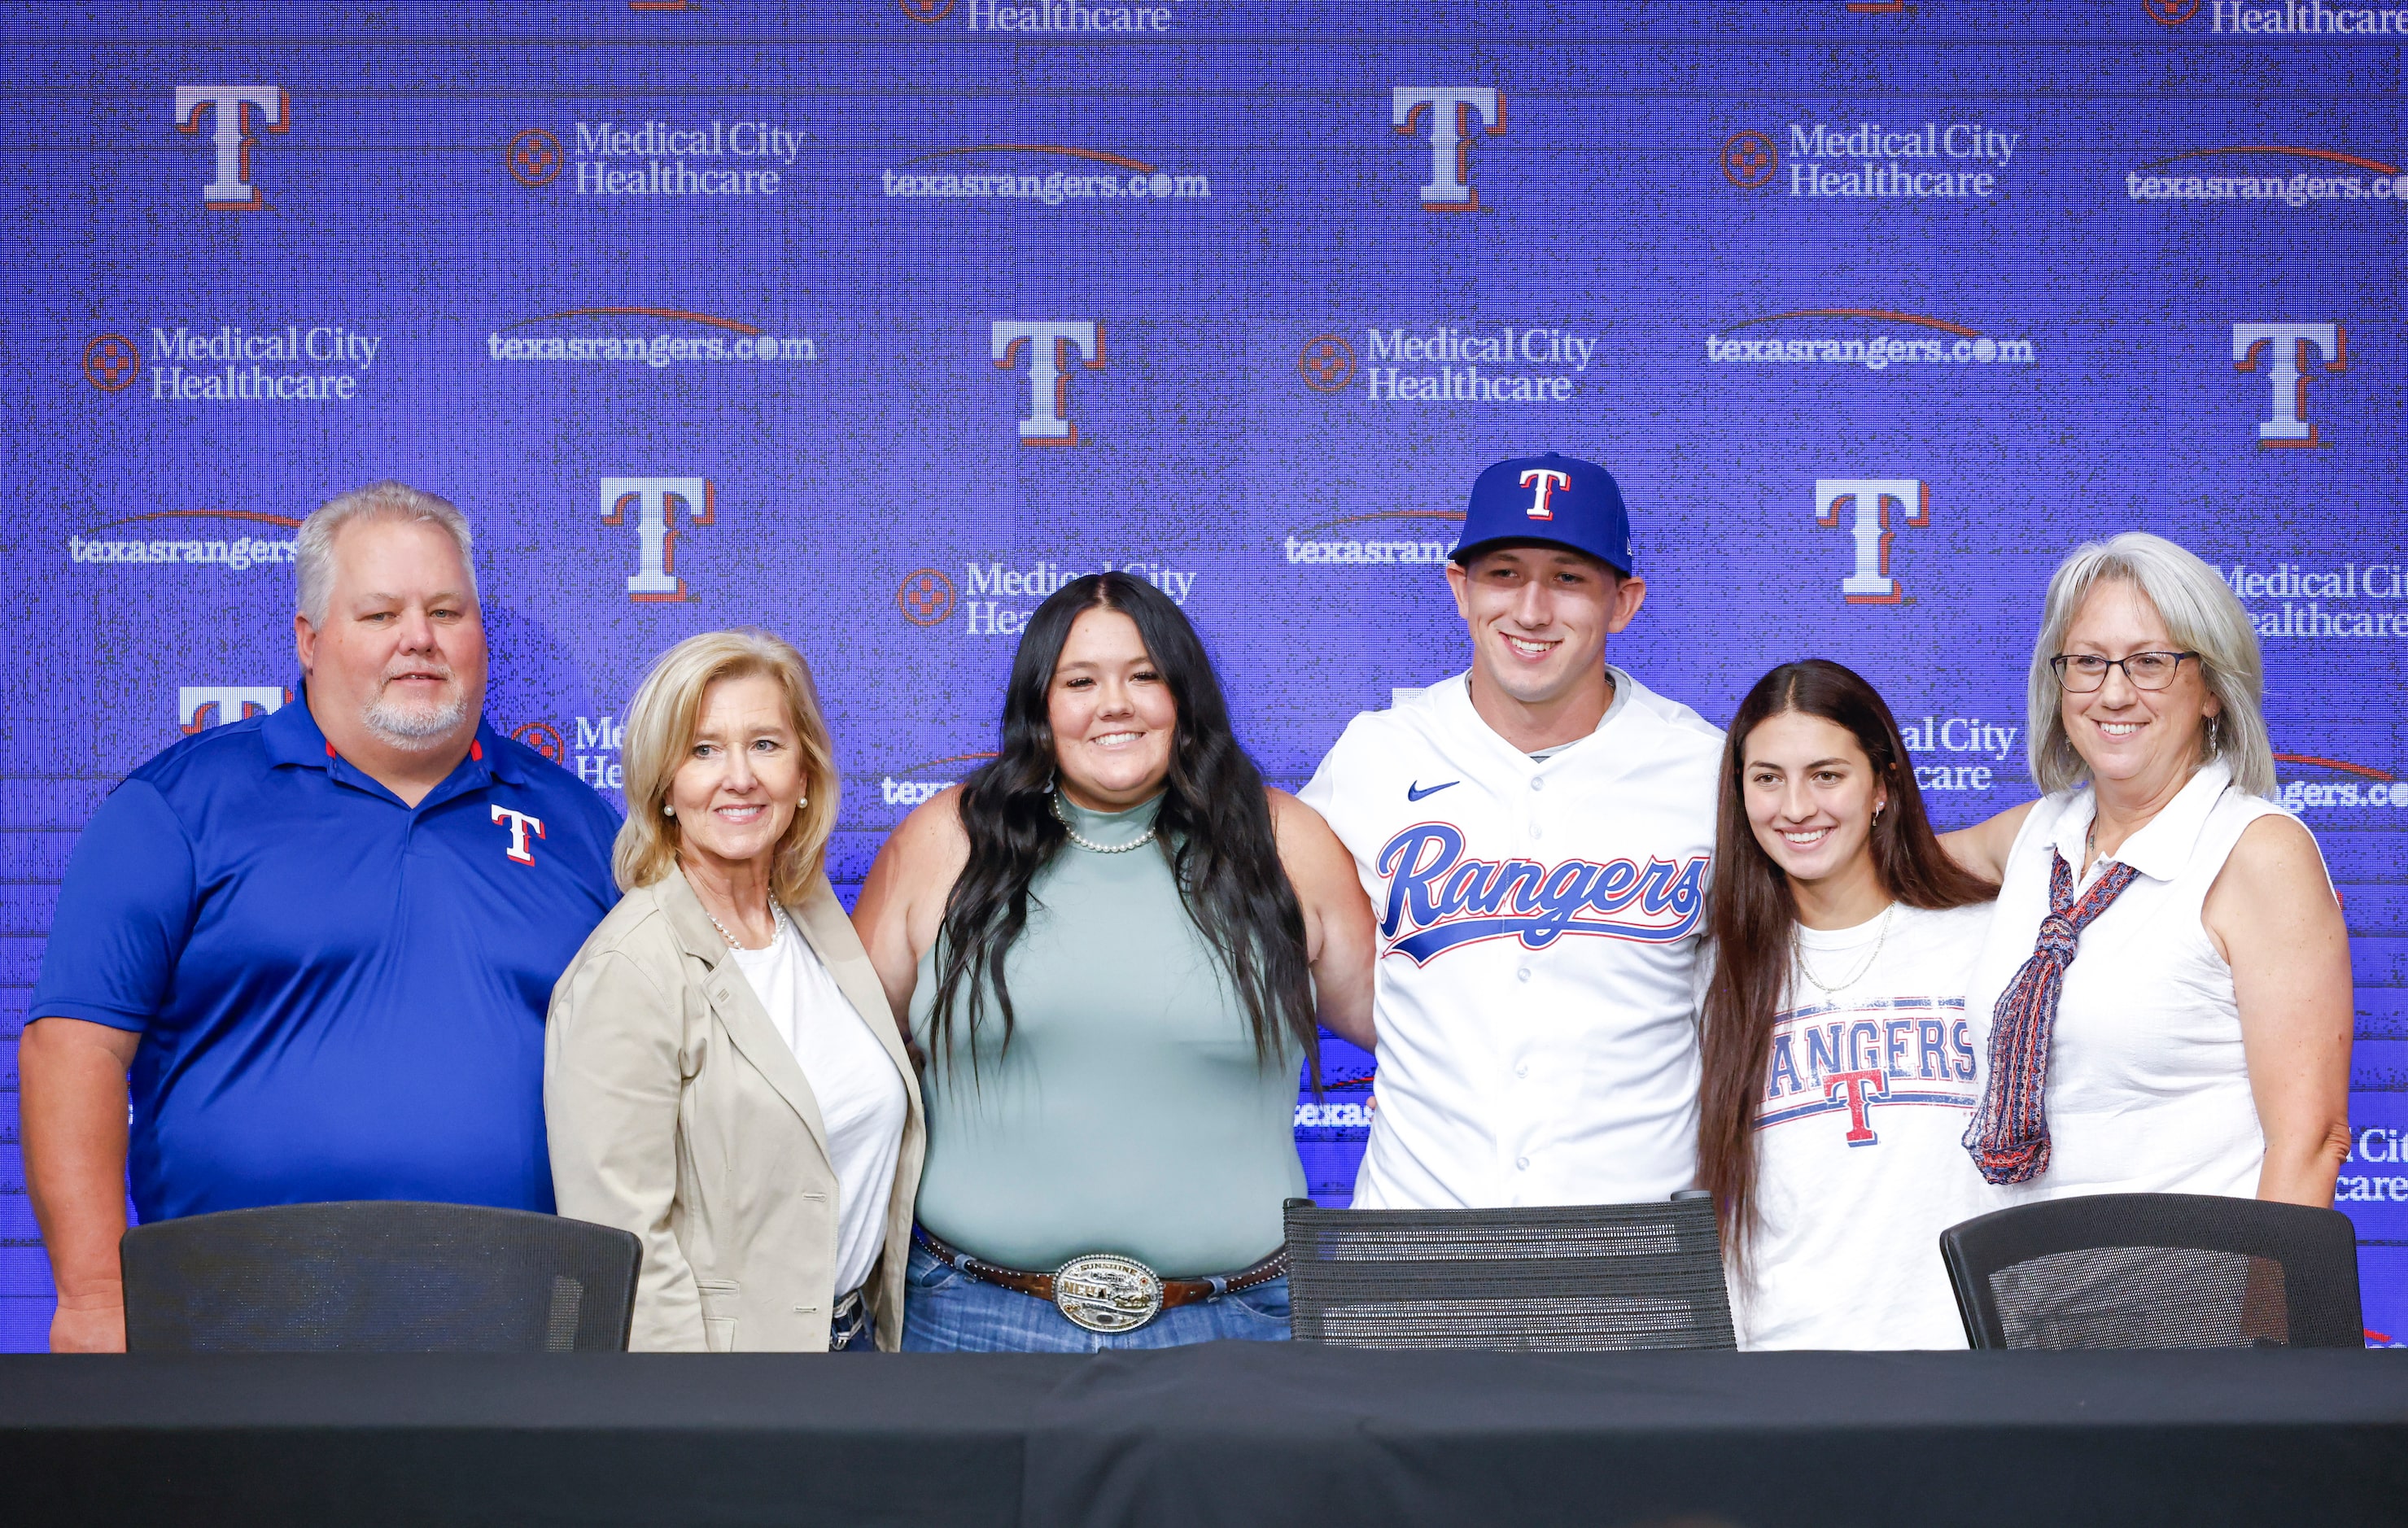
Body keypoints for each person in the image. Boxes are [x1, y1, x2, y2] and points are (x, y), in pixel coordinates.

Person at [22, 481, 619, 1353]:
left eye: (446, 610)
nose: (418, 638)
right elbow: (72, 1049)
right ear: (309, 640)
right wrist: (94, 1296)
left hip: (519, 1336)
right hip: (231, 1334)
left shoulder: (578, 825)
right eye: (379, 614)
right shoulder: (179, 807)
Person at [852, 572, 1374, 1351]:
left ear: (1183, 698)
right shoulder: (943, 842)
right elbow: (848, 1066)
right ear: (1040, 705)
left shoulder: (1285, 842)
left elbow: (1408, 1030)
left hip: (1234, 1326)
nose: (1115, 704)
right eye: (1079, 681)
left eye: (1144, 676)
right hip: (972, 1319)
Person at [1298, 452, 1721, 1209]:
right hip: (1417, 1243)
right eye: (1502, 573)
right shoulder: (1375, 752)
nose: (1530, 611)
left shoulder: (1705, 768)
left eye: (1567, 578)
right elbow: (1311, 945)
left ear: (1623, 602)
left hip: (1635, 1253)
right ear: (1459, 589)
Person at [1944, 532, 2352, 1211]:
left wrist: (2260, 1320)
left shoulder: (2256, 853)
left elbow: (2308, 1141)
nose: (2112, 693)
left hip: (2190, 1304)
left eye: (2148, 663)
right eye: (2088, 662)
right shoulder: (2035, 837)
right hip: (2027, 1300)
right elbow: (1872, 864)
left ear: (2211, 691)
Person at [547, 630, 921, 1352]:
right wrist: (698, 1423)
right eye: (703, 750)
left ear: (805, 772)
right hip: (726, 1385)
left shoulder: (812, 919)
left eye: (766, 745)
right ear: (663, 787)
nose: (739, 777)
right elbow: (625, 1249)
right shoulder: (629, 970)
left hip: (854, 1350)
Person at [1697, 660, 2000, 1349]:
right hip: (1785, 1369)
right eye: (1767, 778)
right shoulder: (1713, 968)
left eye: (1826, 775)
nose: (1795, 807)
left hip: (1969, 1362)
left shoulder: (1986, 936)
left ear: (1882, 786)